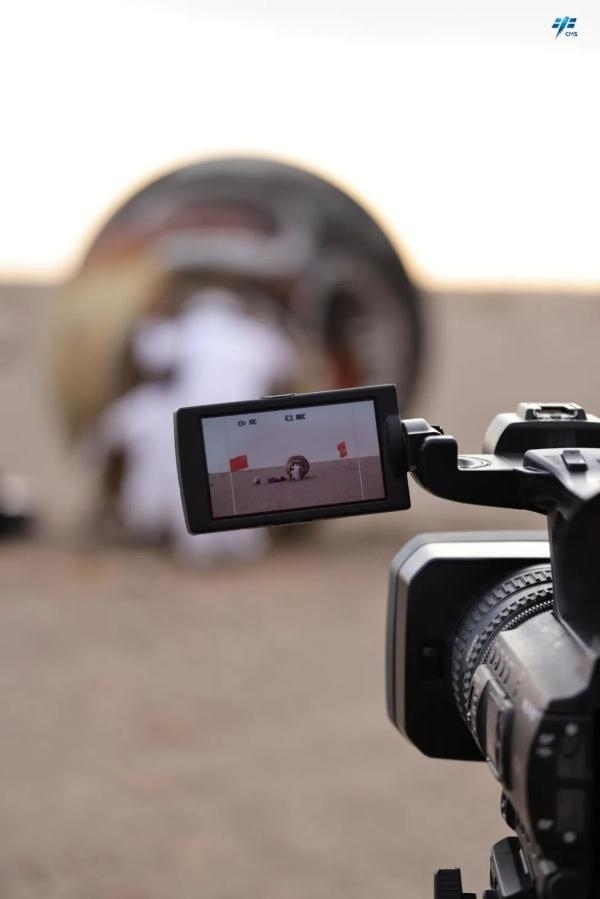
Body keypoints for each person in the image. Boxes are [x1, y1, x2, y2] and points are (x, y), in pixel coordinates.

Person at [92, 287, 298, 562]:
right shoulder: (254, 335)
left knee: (185, 480)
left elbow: (148, 350)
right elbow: (287, 364)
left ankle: (181, 539)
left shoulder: (184, 332)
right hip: (245, 421)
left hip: (194, 418)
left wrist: (150, 314)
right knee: (244, 479)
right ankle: (242, 545)